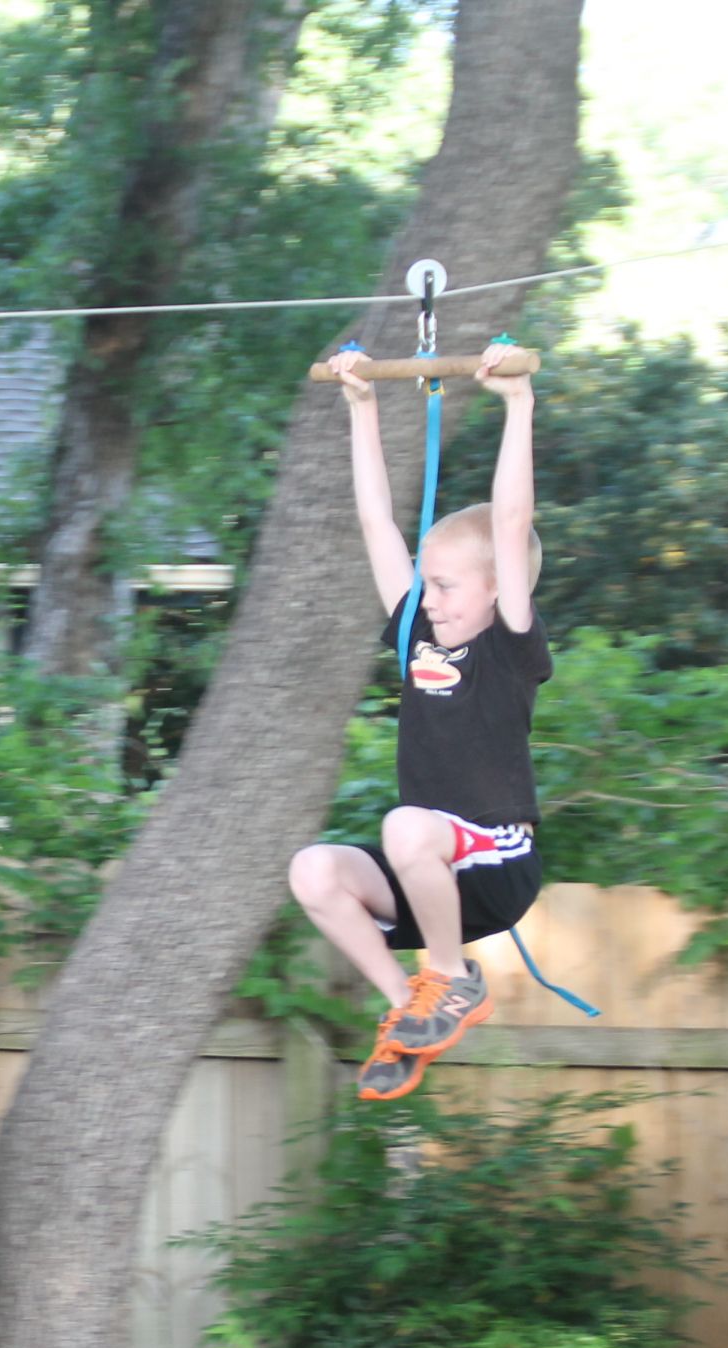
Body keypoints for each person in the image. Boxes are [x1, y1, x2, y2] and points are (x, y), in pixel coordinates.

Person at [286, 344, 550, 1102]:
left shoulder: (507, 642)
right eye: (424, 584)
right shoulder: (416, 636)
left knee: (407, 823)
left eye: (444, 585)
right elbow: (376, 522)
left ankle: (452, 977)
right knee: (314, 869)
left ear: (497, 588)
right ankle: (409, 1009)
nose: (428, 598)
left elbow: (510, 517)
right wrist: (361, 407)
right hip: (428, 871)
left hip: (495, 864)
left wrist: (518, 404)